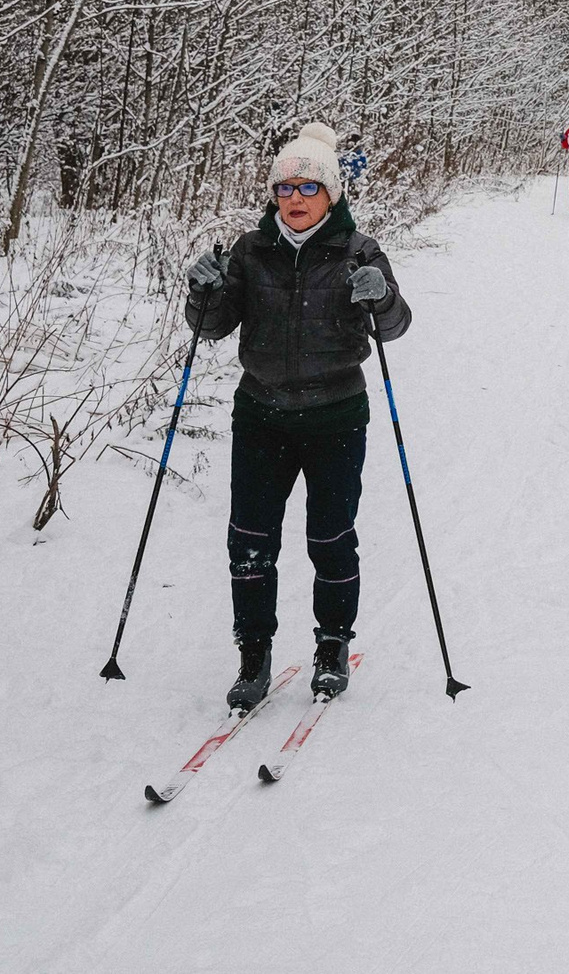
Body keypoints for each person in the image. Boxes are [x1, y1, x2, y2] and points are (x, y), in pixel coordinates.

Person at [183, 122, 412, 708]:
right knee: (249, 540)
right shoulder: (250, 250)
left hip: (336, 416)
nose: (296, 198)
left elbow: (394, 326)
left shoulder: (358, 251)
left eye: (310, 188)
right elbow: (210, 328)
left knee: (330, 538)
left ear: (331, 194)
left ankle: (332, 647)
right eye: (286, 187)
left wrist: (379, 293)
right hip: (262, 415)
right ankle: (253, 656)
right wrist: (202, 292)